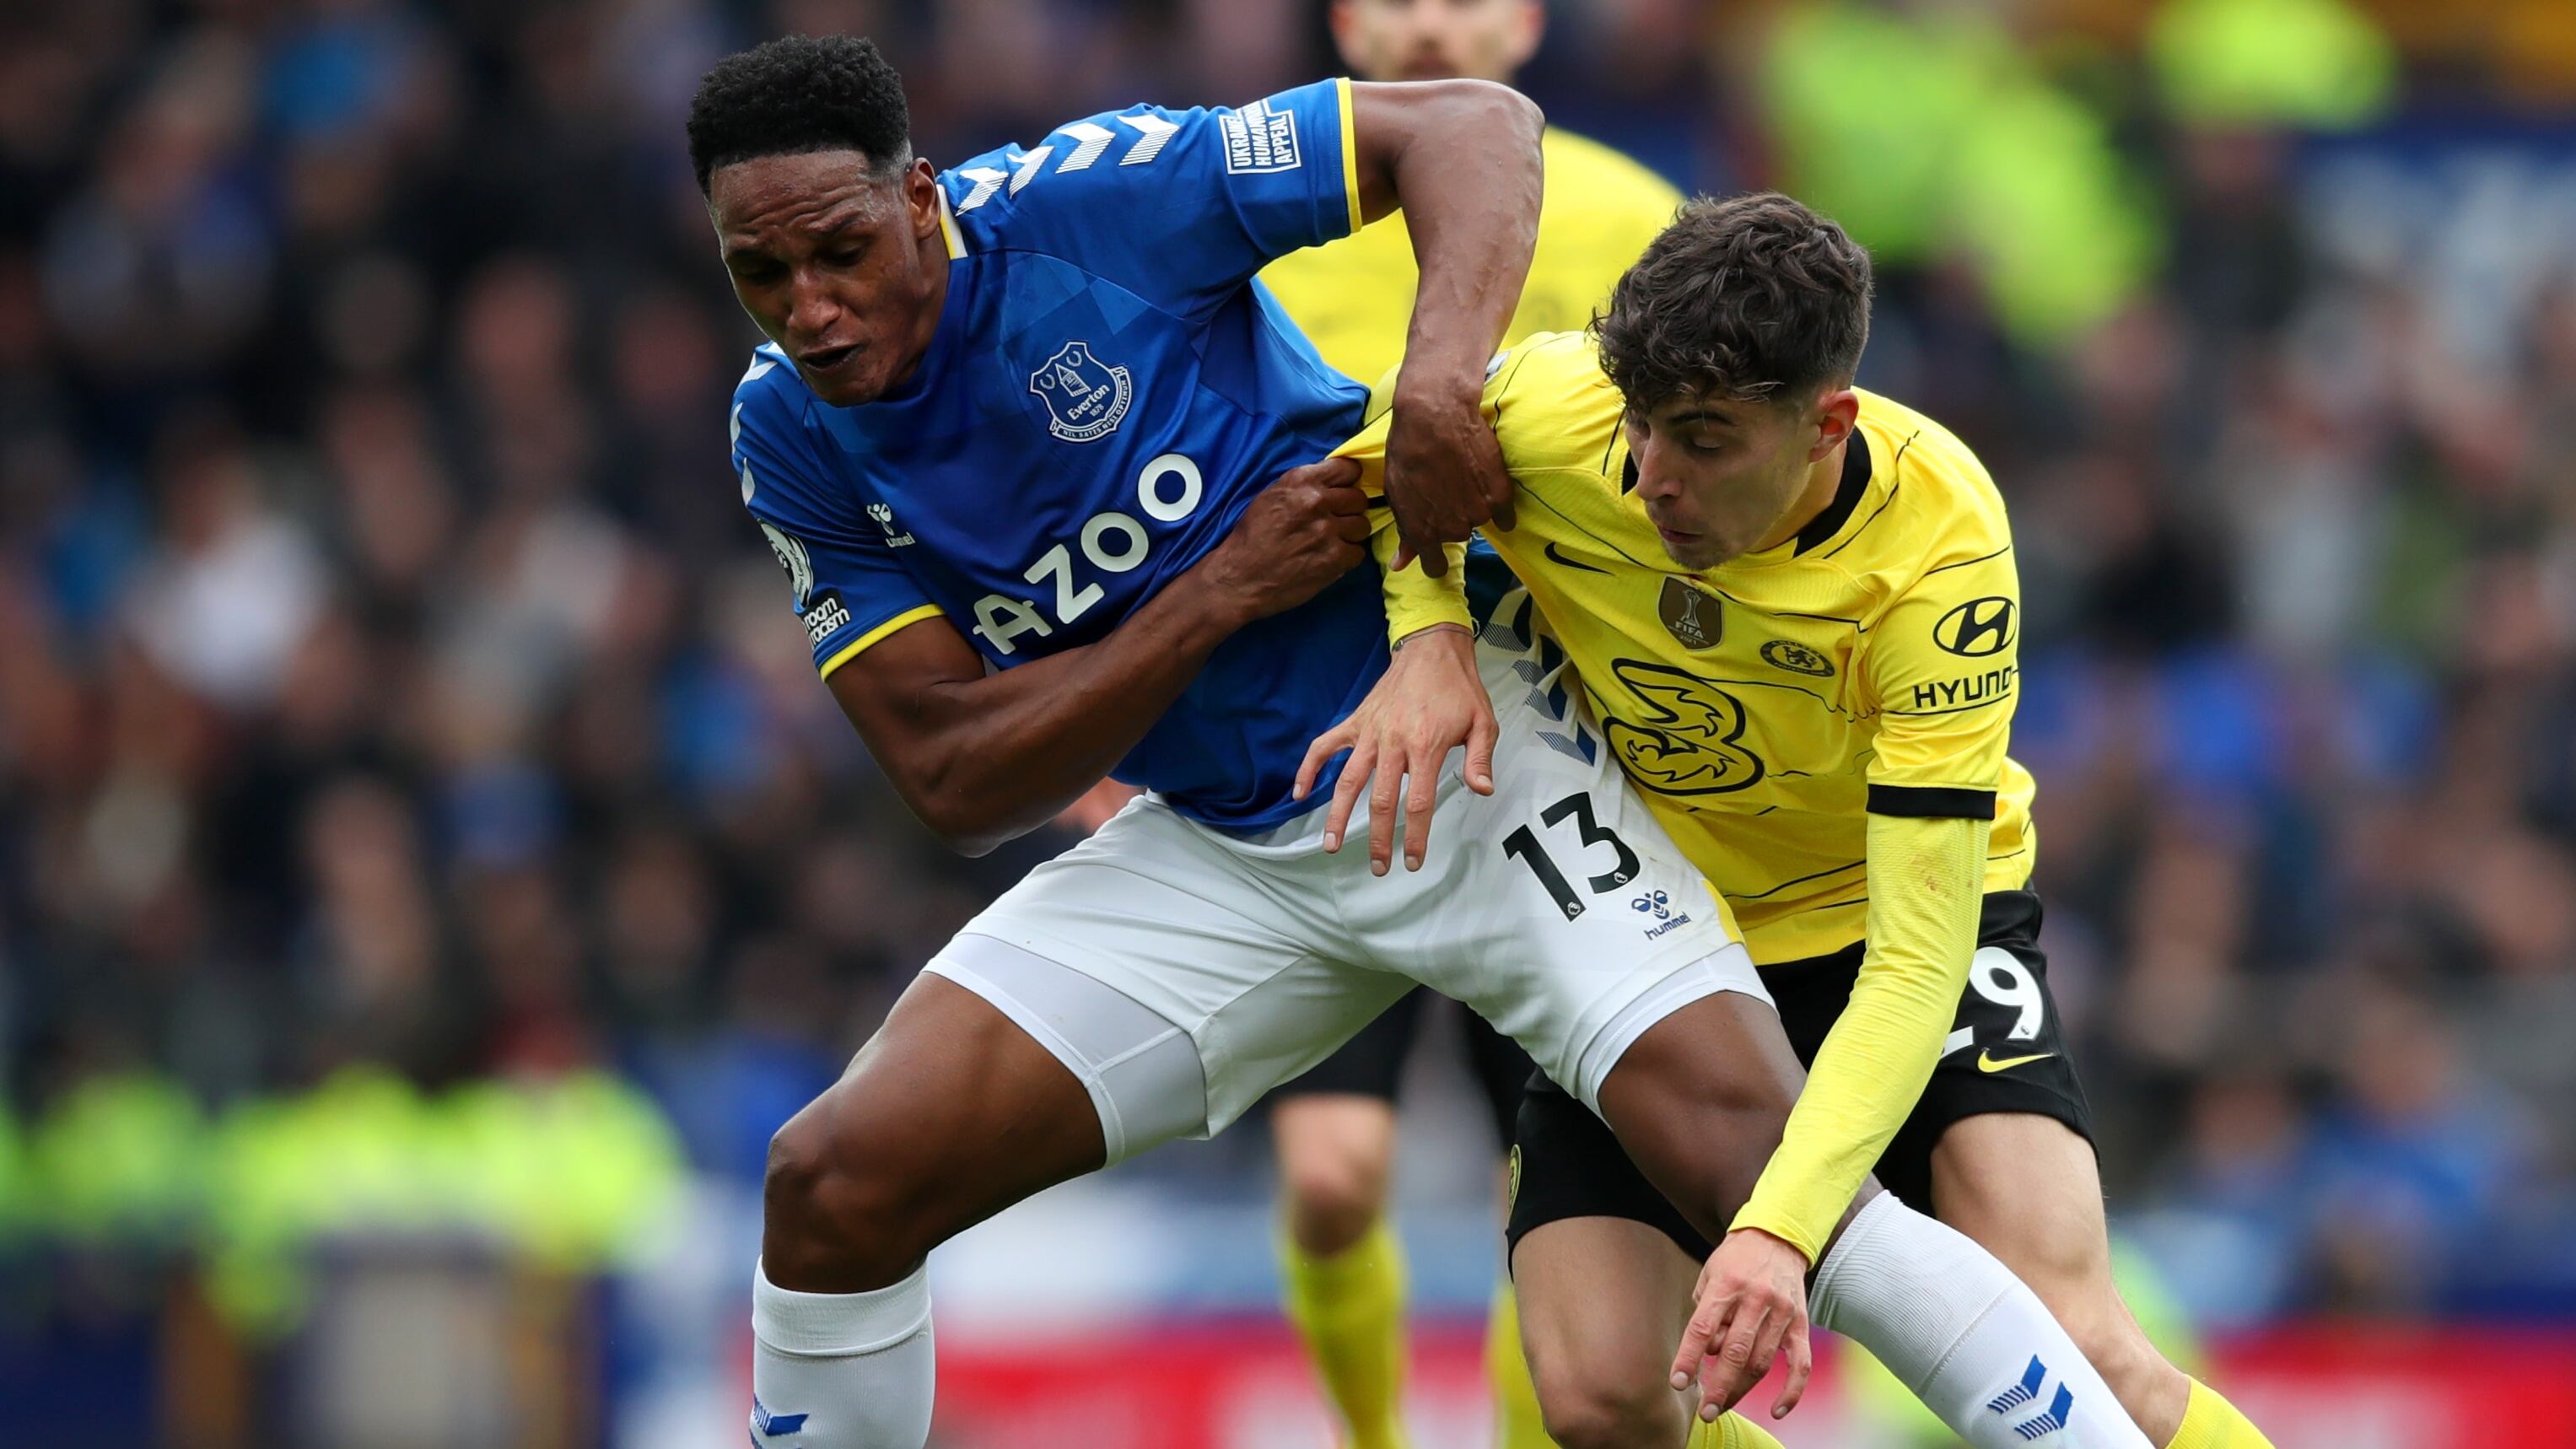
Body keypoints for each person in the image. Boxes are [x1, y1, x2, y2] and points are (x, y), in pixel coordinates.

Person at [696, 35, 2152, 1449]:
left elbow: (1466, 127)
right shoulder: (789, 437)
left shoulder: (1094, 200)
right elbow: (954, 778)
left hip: (1469, 755)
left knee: (1778, 1198)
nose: (811, 307)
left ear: (920, 197)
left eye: (839, 251)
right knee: (832, 1186)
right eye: (761, 273)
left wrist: (1437, 388)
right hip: (1227, 847)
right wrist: (1214, 595)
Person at [1316, 192, 2277, 1449]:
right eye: (1643, 426)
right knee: (1602, 1397)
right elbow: (1380, 475)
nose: (1652, 476)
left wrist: (1776, 1225)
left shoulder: (1939, 550)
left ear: (1827, 424)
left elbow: (1916, 955)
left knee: (2077, 1340)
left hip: (1890, 924)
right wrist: (1428, 631)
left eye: (1705, 439)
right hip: (1655, 935)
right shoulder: (1554, 412)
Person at [1255, 4, 1683, 1446]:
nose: (1431, 16)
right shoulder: (1256, 212)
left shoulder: (1630, 211)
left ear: (1529, 18)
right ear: (1339, 19)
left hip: (1557, 752)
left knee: (1547, 1197)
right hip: (1321, 747)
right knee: (1328, 1174)